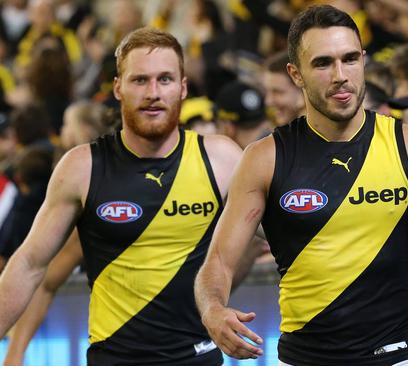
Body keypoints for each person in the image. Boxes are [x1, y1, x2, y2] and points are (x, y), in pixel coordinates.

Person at [194, 5, 408, 365]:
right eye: (323, 63)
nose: (341, 75)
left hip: (397, 357)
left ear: (364, 60)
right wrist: (213, 310)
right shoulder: (265, 158)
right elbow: (219, 262)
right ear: (296, 74)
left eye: (350, 59)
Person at [0, 27, 247, 365]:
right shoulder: (82, 167)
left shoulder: (221, 159)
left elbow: (275, 239)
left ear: (183, 87)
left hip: (199, 358)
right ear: (118, 87)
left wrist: (217, 303)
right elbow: (30, 264)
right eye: (140, 80)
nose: (153, 93)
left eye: (165, 79)